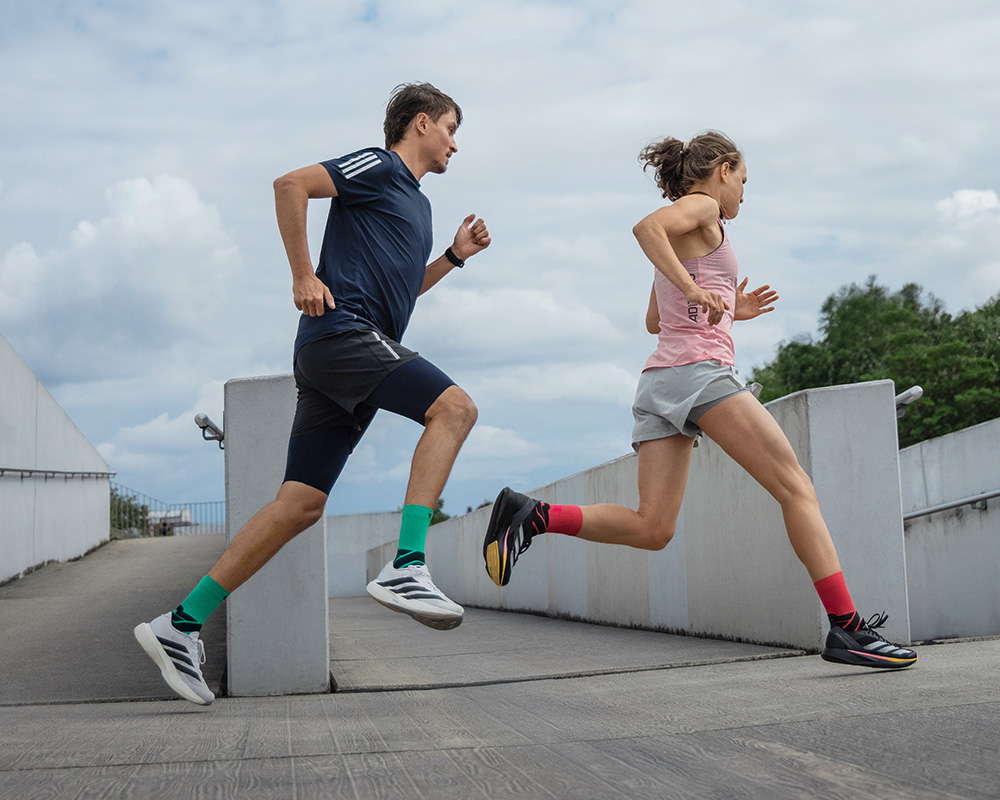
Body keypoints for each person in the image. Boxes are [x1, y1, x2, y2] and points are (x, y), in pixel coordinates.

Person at [482, 130, 916, 671]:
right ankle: (847, 629)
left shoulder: (688, 230)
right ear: (725, 170)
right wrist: (695, 291)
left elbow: (653, 321)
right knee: (797, 488)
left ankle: (534, 515)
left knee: (653, 527)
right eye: (744, 182)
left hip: (660, 382)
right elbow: (645, 229)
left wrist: (731, 306)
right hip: (700, 375)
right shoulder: (703, 207)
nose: (742, 196)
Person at [135, 82, 491, 705]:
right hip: (340, 336)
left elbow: (404, 296)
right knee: (455, 408)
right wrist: (302, 272)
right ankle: (409, 563)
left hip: (354, 351)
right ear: (421, 123)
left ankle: (180, 625)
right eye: (452, 129)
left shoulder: (420, 206)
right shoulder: (378, 166)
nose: (456, 145)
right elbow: (289, 185)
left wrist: (453, 259)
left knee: (300, 505)